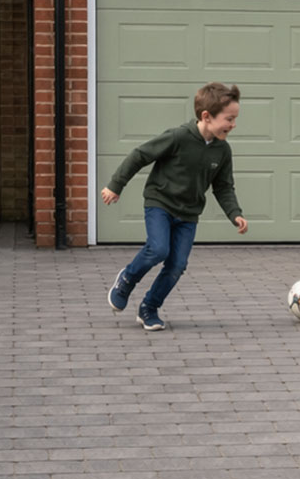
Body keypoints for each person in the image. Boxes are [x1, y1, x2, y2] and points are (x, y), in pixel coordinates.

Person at [102, 81, 249, 331]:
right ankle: (127, 279)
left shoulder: (222, 151)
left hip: (188, 214)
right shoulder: (178, 137)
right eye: (229, 119)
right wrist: (116, 185)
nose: (233, 125)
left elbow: (223, 187)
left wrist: (235, 214)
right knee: (158, 249)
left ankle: (149, 308)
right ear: (206, 116)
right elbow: (140, 155)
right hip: (160, 203)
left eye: (235, 119)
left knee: (177, 265)